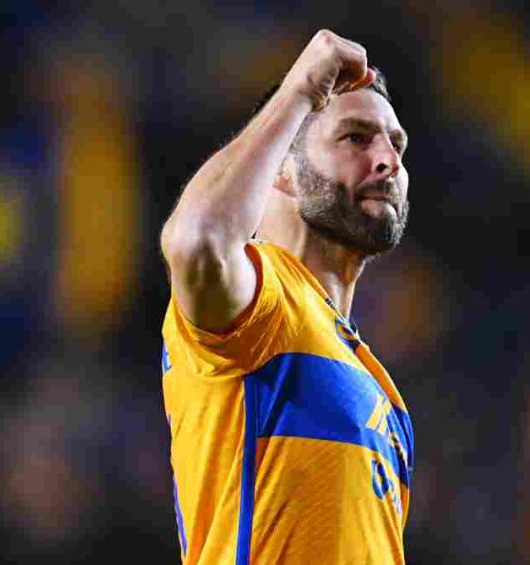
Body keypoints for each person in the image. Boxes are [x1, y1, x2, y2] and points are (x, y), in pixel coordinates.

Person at [159, 30, 414, 564]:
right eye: (356, 138)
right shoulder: (262, 303)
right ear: (281, 169)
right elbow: (196, 240)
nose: (387, 160)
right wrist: (300, 90)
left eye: (396, 144)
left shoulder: (384, 396)